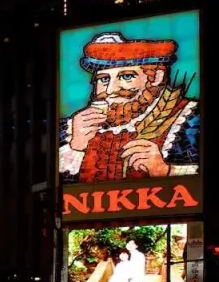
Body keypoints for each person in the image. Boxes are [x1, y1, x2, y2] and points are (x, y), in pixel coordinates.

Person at [59, 32, 199, 184]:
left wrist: (166, 170)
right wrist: (75, 148)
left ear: (156, 77)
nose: (111, 89)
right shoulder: (71, 128)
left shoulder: (191, 120)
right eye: (104, 79)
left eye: (126, 76)